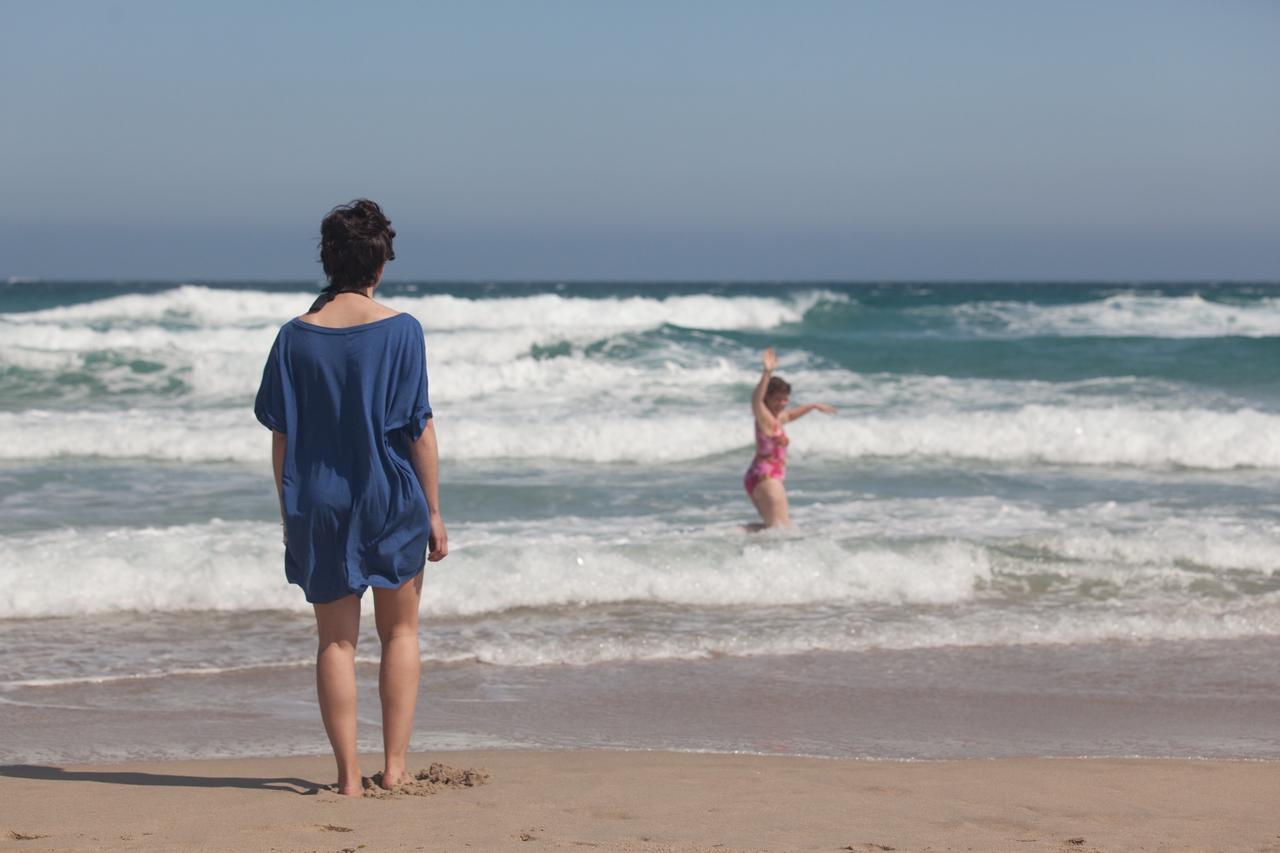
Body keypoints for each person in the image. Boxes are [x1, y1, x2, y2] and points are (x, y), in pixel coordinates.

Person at [254, 199, 447, 796]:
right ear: (380, 263)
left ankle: (346, 779)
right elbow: (417, 427)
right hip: (390, 493)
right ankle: (392, 769)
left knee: (335, 641)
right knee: (401, 635)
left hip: (320, 498)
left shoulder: (294, 337)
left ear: (328, 260)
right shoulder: (402, 329)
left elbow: (281, 437)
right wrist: (435, 511)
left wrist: (291, 511)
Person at [744, 348, 836, 530]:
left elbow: (791, 415)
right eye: (778, 399)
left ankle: (730, 535)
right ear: (768, 399)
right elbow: (756, 402)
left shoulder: (777, 419)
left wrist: (812, 406)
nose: (782, 403)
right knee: (783, 529)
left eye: (785, 399)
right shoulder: (765, 419)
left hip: (759, 476)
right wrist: (767, 374)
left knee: (772, 528)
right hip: (766, 477)